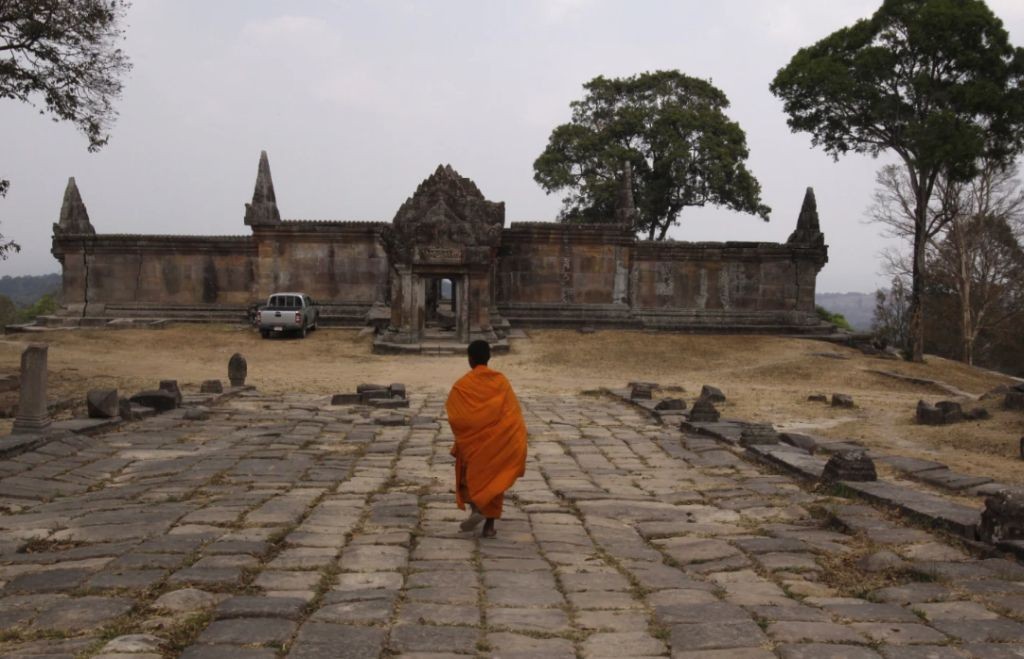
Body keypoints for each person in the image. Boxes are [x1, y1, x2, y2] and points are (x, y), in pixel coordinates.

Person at [446, 339, 527, 538]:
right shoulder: (500, 381)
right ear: (489, 358)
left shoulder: (462, 385)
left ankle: (477, 508)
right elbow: (512, 414)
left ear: (470, 359)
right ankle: (488, 526)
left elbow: (456, 416)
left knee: (470, 473)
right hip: (500, 440)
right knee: (494, 476)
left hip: (474, 443)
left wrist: (467, 435)